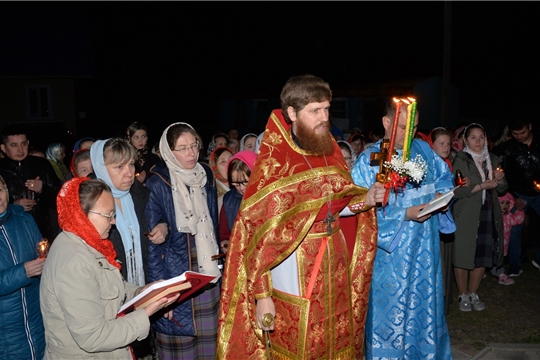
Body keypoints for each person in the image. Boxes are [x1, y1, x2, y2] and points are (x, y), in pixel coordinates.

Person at [217, 74, 384, 359]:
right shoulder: (275, 162)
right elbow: (258, 237)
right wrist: (263, 295)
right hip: (292, 270)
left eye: (327, 109)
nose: (324, 118)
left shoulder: (328, 147)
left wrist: (364, 200)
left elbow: (337, 201)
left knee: (335, 342)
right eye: (315, 110)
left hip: (335, 264)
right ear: (292, 113)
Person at [352, 99, 455, 358]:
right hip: (391, 257)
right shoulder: (370, 160)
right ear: (387, 122)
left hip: (425, 250)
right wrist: (404, 214)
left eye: (415, 128)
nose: (410, 135)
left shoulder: (424, 149)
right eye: (402, 128)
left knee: (425, 308)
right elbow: (359, 210)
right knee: (391, 316)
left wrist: (443, 196)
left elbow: (444, 176)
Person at [40, 177, 178, 359]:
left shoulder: (88, 243)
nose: (113, 222)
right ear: (81, 214)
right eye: (109, 215)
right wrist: (145, 314)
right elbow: (93, 336)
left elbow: (109, 288)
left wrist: (143, 292)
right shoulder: (74, 261)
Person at [145, 122, 221, 360]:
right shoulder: (157, 181)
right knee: (181, 345)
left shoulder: (205, 173)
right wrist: (161, 291)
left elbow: (212, 224)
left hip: (207, 266)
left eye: (194, 146)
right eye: (183, 148)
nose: (191, 153)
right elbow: (153, 245)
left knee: (210, 344)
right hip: (175, 272)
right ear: (169, 151)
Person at [452, 123, 507, 312]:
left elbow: (502, 188)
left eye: (481, 137)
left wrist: (499, 180)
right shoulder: (461, 160)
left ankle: (474, 293)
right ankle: (462, 293)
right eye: (473, 137)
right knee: (463, 252)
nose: (478, 141)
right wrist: (482, 186)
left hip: (488, 210)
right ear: (465, 140)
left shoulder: (492, 159)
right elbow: (458, 191)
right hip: (467, 212)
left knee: (483, 253)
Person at [0, 175, 45, 360]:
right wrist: (22, 272)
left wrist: (46, 260)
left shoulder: (23, 218)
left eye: (0, 190)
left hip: (37, 317)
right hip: (6, 332)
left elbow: (40, 250)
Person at [492, 118, 540, 276]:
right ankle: (514, 264)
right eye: (515, 134)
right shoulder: (507, 149)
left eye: (523, 132)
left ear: (530, 126)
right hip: (518, 193)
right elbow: (500, 170)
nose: (519, 136)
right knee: (515, 229)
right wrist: (512, 196)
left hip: (537, 193)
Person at [0, 124, 61, 241]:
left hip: (41, 230)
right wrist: (13, 204)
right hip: (9, 233)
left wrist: (42, 189)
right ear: (3, 148)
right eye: (14, 145)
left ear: (28, 143)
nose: (20, 150)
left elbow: (59, 199)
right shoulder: (1, 169)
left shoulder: (42, 165)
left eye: (23, 144)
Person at [218, 150, 257, 254]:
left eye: (246, 182)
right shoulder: (229, 200)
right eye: (236, 184)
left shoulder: (271, 197)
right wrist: (225, 243)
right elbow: (225, 234)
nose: (242, 188)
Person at [496, 192, 525, 285]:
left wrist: (520, 211)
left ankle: (499, 272)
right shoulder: (494, 217)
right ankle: (499, 273)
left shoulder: (508, 216)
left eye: (507, 203)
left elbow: (517, 220)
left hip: (504, 245)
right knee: (492, 257)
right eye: (502, 203)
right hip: (494, 244)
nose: (505, 205)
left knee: (499, 259)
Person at [209, 146, 233, 214]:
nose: (229, 164)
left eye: (231, 159)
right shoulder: (214, 195)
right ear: (215, 168)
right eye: (223, 162)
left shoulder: (243, 186)